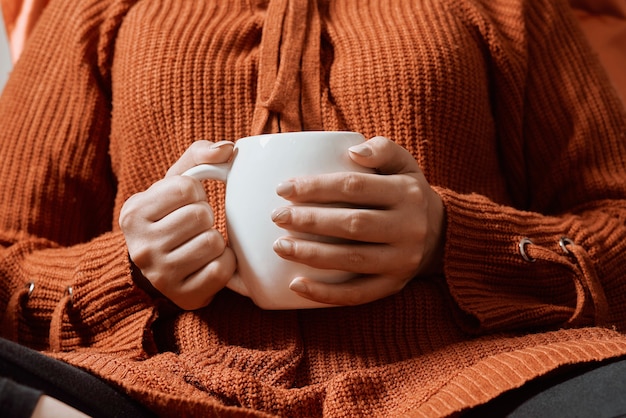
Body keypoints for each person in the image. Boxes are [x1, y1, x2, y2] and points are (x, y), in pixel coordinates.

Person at [2, 0, 626, 416]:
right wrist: (129, 272)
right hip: (150, 386)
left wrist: (450, 238)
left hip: (484, 380)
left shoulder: (509, 6)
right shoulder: (98, 9)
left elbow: (615, 216)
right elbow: (9, 257)